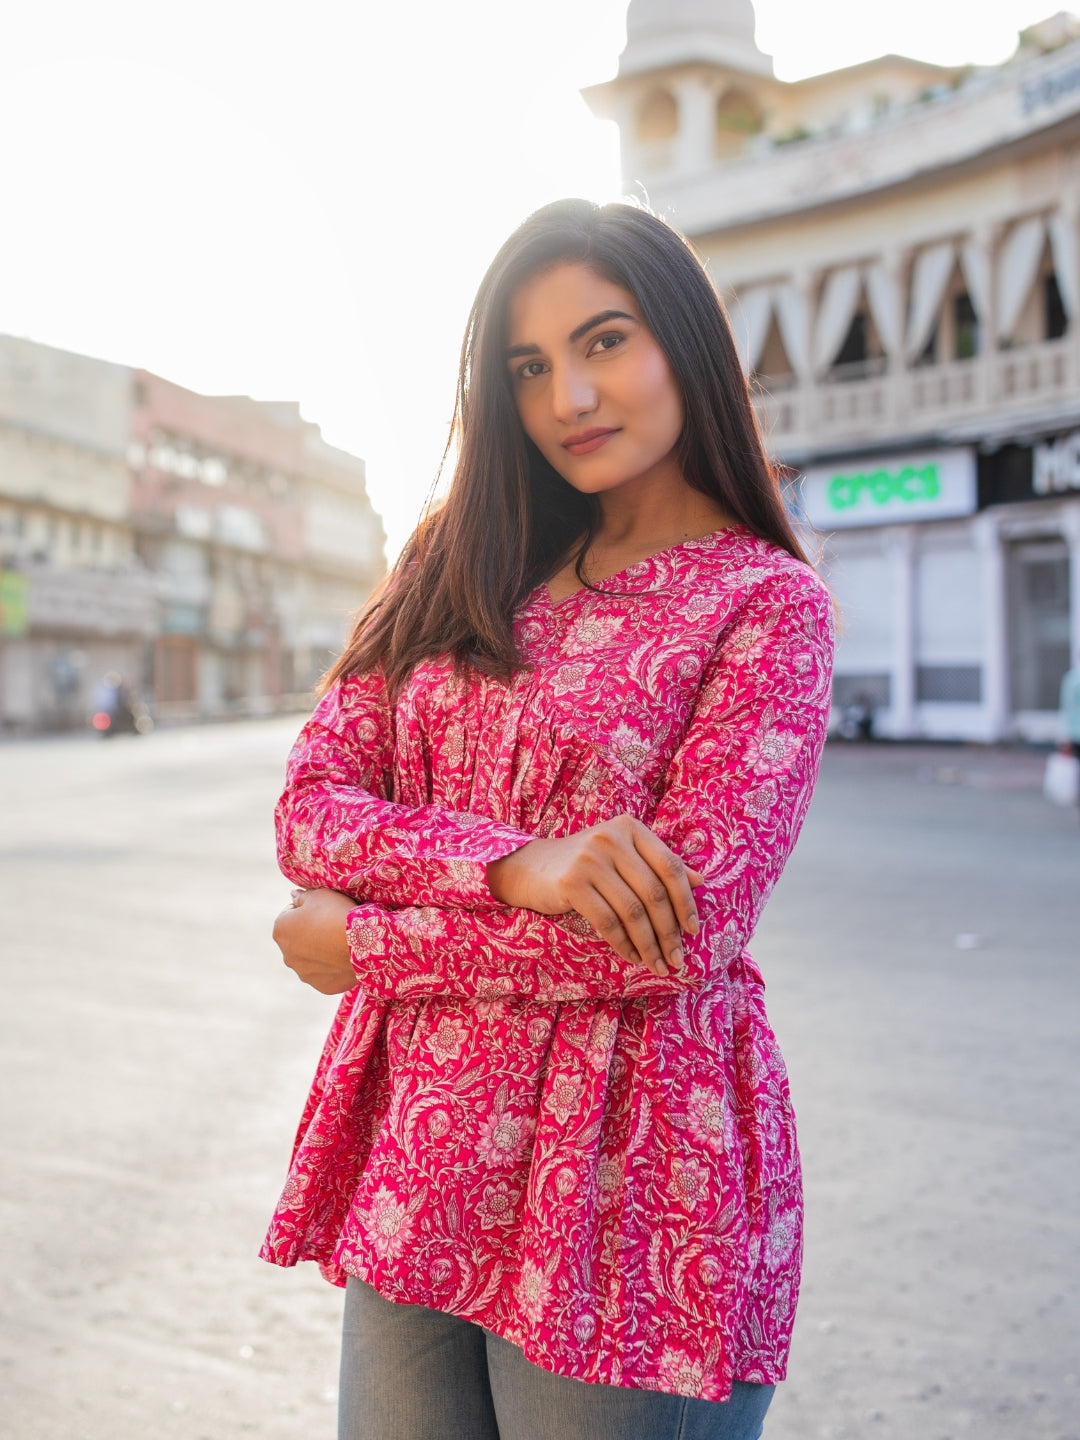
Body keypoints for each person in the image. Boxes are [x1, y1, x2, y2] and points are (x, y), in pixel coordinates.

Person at [266, 198, 834, 1440]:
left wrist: (365, 946)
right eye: (529, 367)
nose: (569, 395)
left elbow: (673, 936)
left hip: (631, 1176)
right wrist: (518, 864)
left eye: (605, 340)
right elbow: (314, 813)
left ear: (685, 342)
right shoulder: (456, 560)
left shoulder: (765, 607)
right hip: (420, 1152)